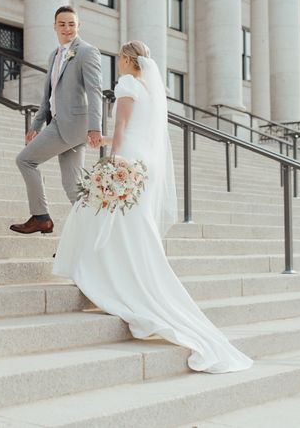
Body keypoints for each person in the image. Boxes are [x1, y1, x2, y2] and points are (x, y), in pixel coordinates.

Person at [53, 40, 253, 374]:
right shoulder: (148, 89)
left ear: (129, 60)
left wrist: (112, 157)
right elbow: (132, 129)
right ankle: (111, 271)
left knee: (94, 211)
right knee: (122, 223)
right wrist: (103, 142)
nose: (118, 64)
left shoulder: (128, 84)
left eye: (120, 58)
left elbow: (120, 126)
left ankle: (101, 274)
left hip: (128, 162)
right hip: (144, 163)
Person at [11, 5, 103, 235]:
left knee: (25, 160)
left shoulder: (87, 52)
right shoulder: (54, 55)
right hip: (59, 124)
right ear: (54, 26)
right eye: (62, 24)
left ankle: (41, 216)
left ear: (78, 26)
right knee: (73, 186)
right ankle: (91, 237)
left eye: (71, 24)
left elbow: (95, 91)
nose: (67, 28)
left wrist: (95, 127)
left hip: (71, 125)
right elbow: (49, 95)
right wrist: (36, 124)